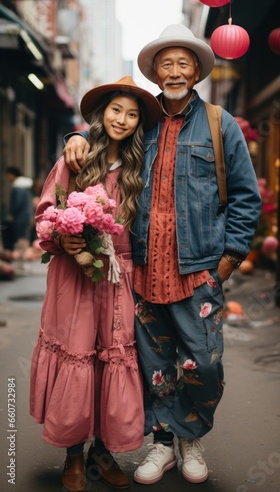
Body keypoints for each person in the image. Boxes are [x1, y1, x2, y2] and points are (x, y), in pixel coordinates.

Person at [63, 24, 262, 485]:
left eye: (183, 63)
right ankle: (162, 443)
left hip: (197, 270)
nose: (174, 71)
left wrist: (229, 258)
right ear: (155, 71)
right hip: (143, 268)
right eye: (166, 64)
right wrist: (76, 134)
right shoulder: (145, 122)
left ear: (195, 71)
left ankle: (191, 436)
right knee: (153, 364)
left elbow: (246, 197)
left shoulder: (219, 122)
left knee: (204, 362)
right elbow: (107, 128)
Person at [30, 76, 161, 492]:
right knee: (78, 356)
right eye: (116, 110)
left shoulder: (140, 167)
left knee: (112, 360)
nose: (122, 119)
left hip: (119, 276)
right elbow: (47, 211)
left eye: (132, 114)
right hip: (75, 274)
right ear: (102, 114)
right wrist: (61, 236)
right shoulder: (76, 158)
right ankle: (72, 455)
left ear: (139, 123)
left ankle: (101, 455)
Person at [6, 166, 33, 249]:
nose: (7, 178)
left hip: (20, 217)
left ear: (13, 175)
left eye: (8, 175)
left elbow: (17, 203)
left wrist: (12, 214)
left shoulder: (18, 188)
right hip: (25, 216)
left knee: (20, 236)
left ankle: (22, 256)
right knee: (24, 236)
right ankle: (23, 255)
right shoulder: (24, 187)